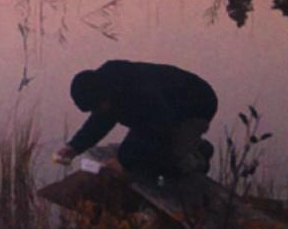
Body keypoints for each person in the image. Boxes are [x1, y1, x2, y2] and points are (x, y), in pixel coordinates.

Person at [52, 59, 218, 178]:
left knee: (167, 167)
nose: (98, 111)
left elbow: (153, 126)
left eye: (98, 106)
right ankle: (191, 144)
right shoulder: (106, 89)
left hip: (196, 105)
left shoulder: (139, 91)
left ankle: (199, 156)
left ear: (103, 95)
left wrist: (123, 161)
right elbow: (100, 121)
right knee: (142, 156)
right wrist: (74, 147)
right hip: (163, 111)